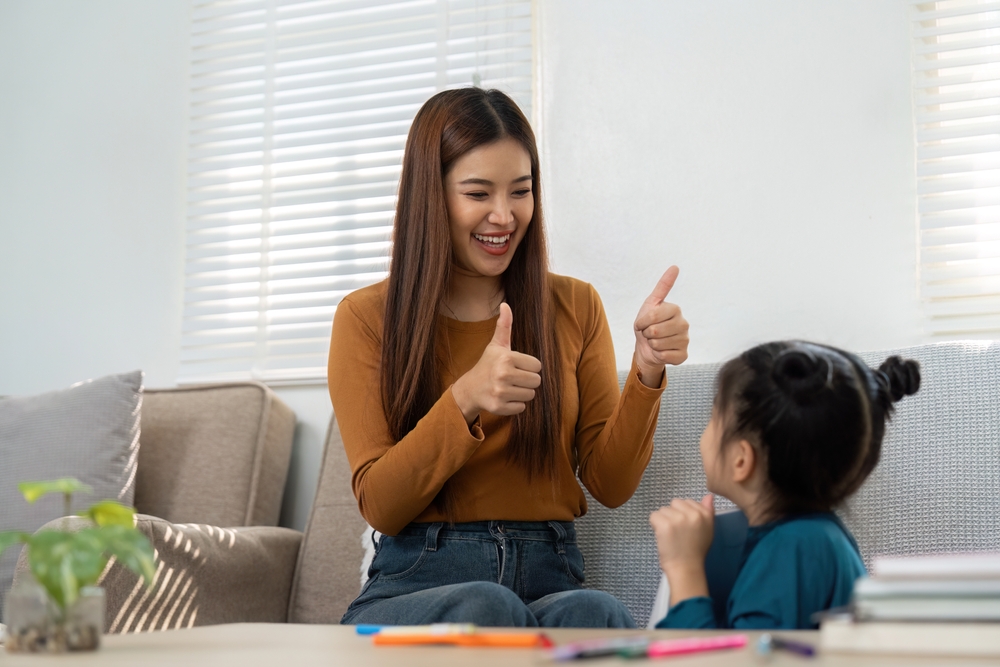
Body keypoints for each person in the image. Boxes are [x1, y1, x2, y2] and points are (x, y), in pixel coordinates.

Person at [327, 87, 689, 628]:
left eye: (521, 191)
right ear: (432, 195)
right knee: (487, 607)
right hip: (422, 581)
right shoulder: (364, 318)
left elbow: (611, 484)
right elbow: (380, 504)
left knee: (598, 612)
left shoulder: (574, 305)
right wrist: (466, 398)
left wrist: (647, 370)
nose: (504, 215)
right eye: (478, 193)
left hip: (550, 571)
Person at [650, 341, 920, 629]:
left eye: (713, 418)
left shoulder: (793, 549)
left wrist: (684, 567)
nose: (704, 433)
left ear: (741, 460)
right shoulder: (811, 537)